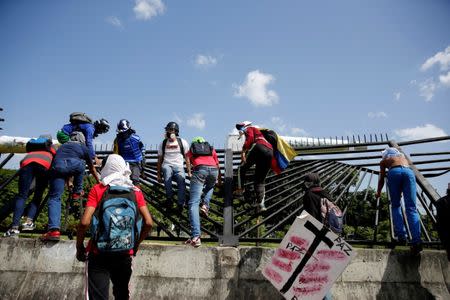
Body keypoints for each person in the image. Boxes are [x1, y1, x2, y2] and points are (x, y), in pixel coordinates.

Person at [76, 154, 153, 300]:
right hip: (125, 252)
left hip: (98, 252)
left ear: (106, 168)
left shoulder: (98, 189)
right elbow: (148, 223)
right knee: (122, 294)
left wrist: (79, 247)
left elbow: (84, 223)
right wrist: (135, 245)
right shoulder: (136, 192)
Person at [41, 132, 100, 241]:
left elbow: (64, 164)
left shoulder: (62, 147)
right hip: (76, 167)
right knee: (81, 165)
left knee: (54, 198)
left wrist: (68, 183)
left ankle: (53, 231)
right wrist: (99, 182)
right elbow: (92, 168)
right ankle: (77, 192)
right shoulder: (83, 147)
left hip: (58, 167)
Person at [3, 135, 57, 237]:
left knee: (22, 195)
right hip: (44, 164)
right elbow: (56, 159)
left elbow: (23, 161)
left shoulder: (34, 147)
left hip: (26, 163)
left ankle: (14, 228)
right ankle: (28, 222)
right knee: (38, 194)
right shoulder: (52, 146)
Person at [376, 147, 422, 255]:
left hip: (394, 172)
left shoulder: (383, 161)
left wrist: (378, 192)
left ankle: (401, 237)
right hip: (408, 172)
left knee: (396, 206)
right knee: (411, 207)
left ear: (386, 155)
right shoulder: (403, 157)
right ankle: (417, 241)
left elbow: (382, 178)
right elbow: (405, 170)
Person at [301, 172, 334, 300]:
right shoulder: (326, 195)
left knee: (315, 272)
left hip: (316, 237)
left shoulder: (309, 195)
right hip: (329, 237)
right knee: (321, 272)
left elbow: (311, 218)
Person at [185, 137, 222, 247]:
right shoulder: (211, 148)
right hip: (214, 171)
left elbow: (187, 160)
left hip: (200, 170)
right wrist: (219, 180)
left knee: (193, 203)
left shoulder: (192, 149)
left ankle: (196, 236)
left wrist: (189, 172)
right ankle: (205, 205)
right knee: (210, 187)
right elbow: (217, 164)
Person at [235, 121, 273, 211]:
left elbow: (250, 139)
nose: (240, 130)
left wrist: (243, 151)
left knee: (241, 168)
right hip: (270, 152)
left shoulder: (250, 128)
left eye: (240, 127)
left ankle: (240, 191)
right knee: (259, 180)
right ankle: (261, 204)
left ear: (246, 126)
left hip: (259, 147)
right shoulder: (261, 135)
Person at [157, 121, 191, 210]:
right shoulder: (163, 143)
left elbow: (187, 158)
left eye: (173, 130)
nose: (171, 132)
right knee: (167, 176)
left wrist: (189, 171)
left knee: (181, 181)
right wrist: (158, 175)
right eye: (169, 130)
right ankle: (169, 199)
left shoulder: (182, 142)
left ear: (176, 131)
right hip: (167, 164)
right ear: (167, 131)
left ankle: (180, 203)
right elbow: (159, 160)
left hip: (179, 166)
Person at [113, 119, 146, 186]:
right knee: (123, 180)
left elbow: (142, 151)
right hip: (123, 163)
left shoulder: (136, 138)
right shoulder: (117, 140)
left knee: (135, 179)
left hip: (136, 163)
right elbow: (115, 154)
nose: (122, 134)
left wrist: (143, 169)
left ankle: (138, 195)